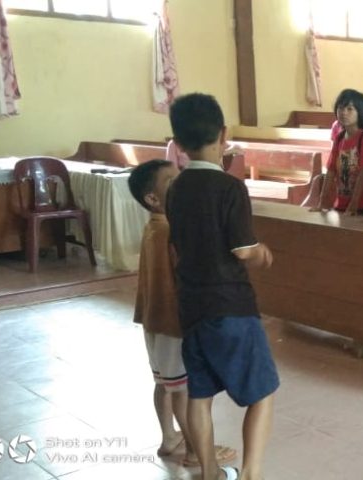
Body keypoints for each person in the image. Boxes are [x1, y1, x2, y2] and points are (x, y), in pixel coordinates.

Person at [165, 93, 279, 480]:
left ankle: (210, 471)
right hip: (231, 305)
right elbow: (243, 249)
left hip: (191, 306)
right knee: (262, 393)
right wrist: (262, 252)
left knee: (200, 395)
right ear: (224, 135)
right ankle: (250, 474)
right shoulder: (230, 188)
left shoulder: (175, 188)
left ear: (178, 143)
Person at [128, 159, 237, 470]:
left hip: (154, 322)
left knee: (166, 383)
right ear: (152, 198)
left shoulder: (155, 226)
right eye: (172, 182)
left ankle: (169, 438)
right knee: (184, 391)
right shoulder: (171, 231)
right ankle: (194, 449)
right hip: (174, 324)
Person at [314, 89, 363, 216]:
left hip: (362, 205)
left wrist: (353, 205)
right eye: (340, 108)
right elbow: (331, 170)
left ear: (360, 112)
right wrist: (322, 202)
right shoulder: (339, 138)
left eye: (350, 109)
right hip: (342, 202)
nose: (344, 112)